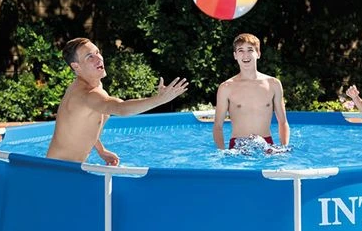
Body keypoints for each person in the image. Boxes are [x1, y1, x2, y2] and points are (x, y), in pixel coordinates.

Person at [46, 38, 188, 164]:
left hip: (67, 169)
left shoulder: (94, 87)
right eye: (90, 57)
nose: (99, 58)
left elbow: (83, 127)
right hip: (57, 172)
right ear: (76, 66)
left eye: (97, 52)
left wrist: (101, 150)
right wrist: (159, 100)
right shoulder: (86, 95)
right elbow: (121, 108)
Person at [213, 33, 290, 151]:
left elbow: (283, 122)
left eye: (250, 50)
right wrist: (222, 152)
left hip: (267, 146)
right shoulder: (226, 87)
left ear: (258, 53)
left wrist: (284, 148)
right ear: (235, 55)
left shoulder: (273, 84)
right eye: (241, 50)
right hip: (237, 148)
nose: (246, 55)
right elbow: (218, 126)